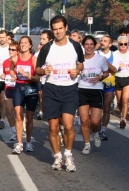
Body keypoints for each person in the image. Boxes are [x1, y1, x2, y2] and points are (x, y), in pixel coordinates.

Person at [35, 15, 84, 172]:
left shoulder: (76, 46)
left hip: (69, 89)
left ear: (66, 28)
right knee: (53, 127)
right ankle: (57, 157)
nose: (58, 32)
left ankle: (68, 155)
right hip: (51, 89)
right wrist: (44, 70)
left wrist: (77, 70)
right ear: (52, 30)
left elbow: (81, 64)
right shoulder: (47, 48)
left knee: (68, 125)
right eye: (55, 29)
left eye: (60, 29)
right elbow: (37, 69)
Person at [78, 36, 109, 154]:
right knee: (84, 120)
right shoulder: (79, 59)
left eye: (91, 44)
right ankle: (87, 144)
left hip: (96, 90)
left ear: (95, 45)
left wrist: (101, 77)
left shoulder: (100, 59)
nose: (89, 47)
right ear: (83, 45)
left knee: (95, 122)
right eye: (87, 44)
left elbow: (106, 72)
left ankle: (95, 133)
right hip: (82, 89)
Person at [10, 36, 39, 154]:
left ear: (30, 45)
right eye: (21, 43)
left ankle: (28, 142)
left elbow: (38, 78)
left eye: (25, 43)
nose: (23, 45)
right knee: (18, 116)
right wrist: (13, 74)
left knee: (29, 118)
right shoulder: (15, 58)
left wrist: (27, 75)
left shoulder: (34, 60)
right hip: (19, 88)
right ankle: (19, 143)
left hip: (31, 88)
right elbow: (11, 69)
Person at [97, 35, 117, 140]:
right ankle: (95, 127)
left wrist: (106, 62)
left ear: (110, 44)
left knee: (106, 108)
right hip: (97, 84)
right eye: (101, 40)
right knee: (96, 108)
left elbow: (115, 70)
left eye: (105, 41)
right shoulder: (96, 54)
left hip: (109, 85)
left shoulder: (114, 55)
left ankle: (103, 131)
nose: (102, 42)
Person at [112, 35, 129, 128]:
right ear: (118, 44)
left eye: (125, 44)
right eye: (121, 44)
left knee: (125, 99)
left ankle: (123, 119)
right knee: (120, 101)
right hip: (117, 78)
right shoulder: (114, 54)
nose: (123, 46)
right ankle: (121, 114)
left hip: (128, 78)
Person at [0, 41, 18, 141]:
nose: (10, 51)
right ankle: (15, 132)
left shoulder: (20, 61)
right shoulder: (5, 62)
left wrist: (16, 77)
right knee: (10, 112)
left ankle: (20, 130)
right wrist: (3, 76)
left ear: (18, 51)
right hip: (8, 89)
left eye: (13, 49)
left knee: (18, 113)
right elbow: (4, 73)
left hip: (18, 89)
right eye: (9, 49)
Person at [35, 30, 54, 120]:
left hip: (53, 80)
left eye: (44, 39)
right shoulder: (39, 52)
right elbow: (36, 67)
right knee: (40, 94)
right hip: (42, 78)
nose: (41, 41)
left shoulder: (55, 51)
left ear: (50, 40)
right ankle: (41, 111)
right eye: (40, 39)